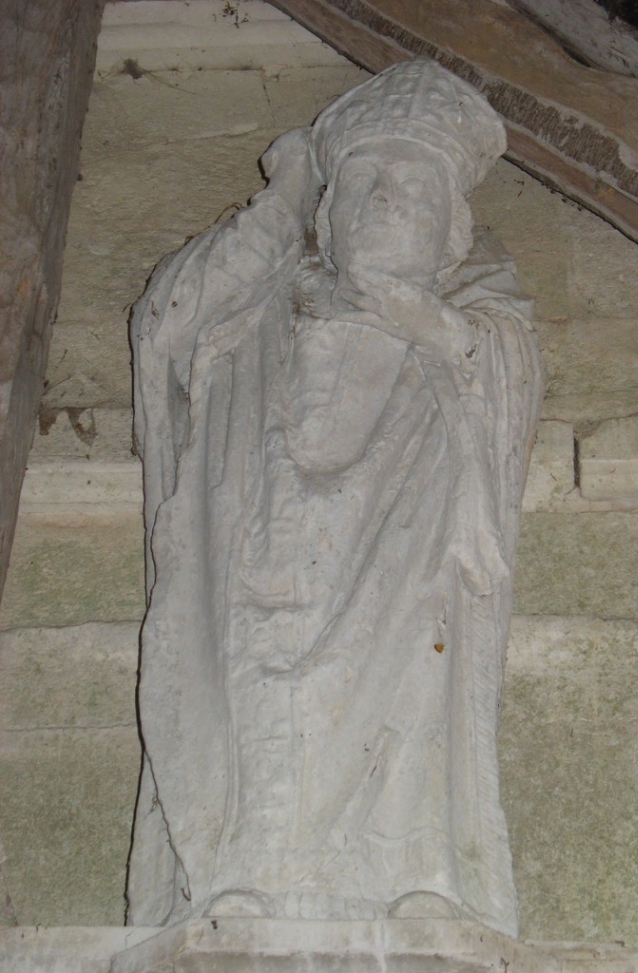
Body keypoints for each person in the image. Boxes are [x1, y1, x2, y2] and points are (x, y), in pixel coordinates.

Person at [127, 57, 544, 935]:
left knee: (420, 644)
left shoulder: (477, 319)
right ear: (330, 211)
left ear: (454, 232)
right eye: (365, 181)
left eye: (415, 186)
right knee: (261, 665)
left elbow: (503, 373)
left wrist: (419, 319)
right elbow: (167, 322)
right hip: (269, 559)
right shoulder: (262, 310)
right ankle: (242, 874)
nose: (387, 199)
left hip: (406, 565)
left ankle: (418, 870)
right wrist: (284, 196)